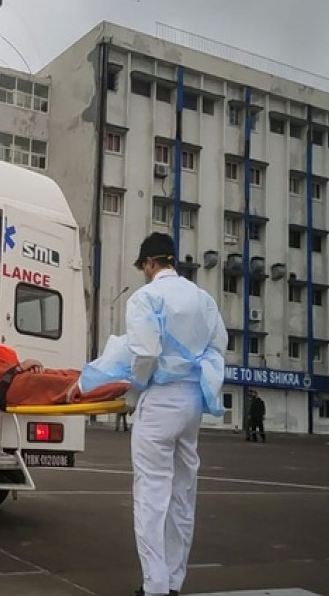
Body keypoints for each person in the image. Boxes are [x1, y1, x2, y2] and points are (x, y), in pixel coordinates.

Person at [126, 232, 227, 596]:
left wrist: (133, 394)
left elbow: (145, 354)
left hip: (160, 398)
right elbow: (218, 347)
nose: (144, 273)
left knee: (151, 495)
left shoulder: (146, 297)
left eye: (144, 267)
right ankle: (172, 583)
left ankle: (154, 586)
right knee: (182, 495)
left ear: (151, 263)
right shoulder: (203, 298)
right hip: (192, 401)